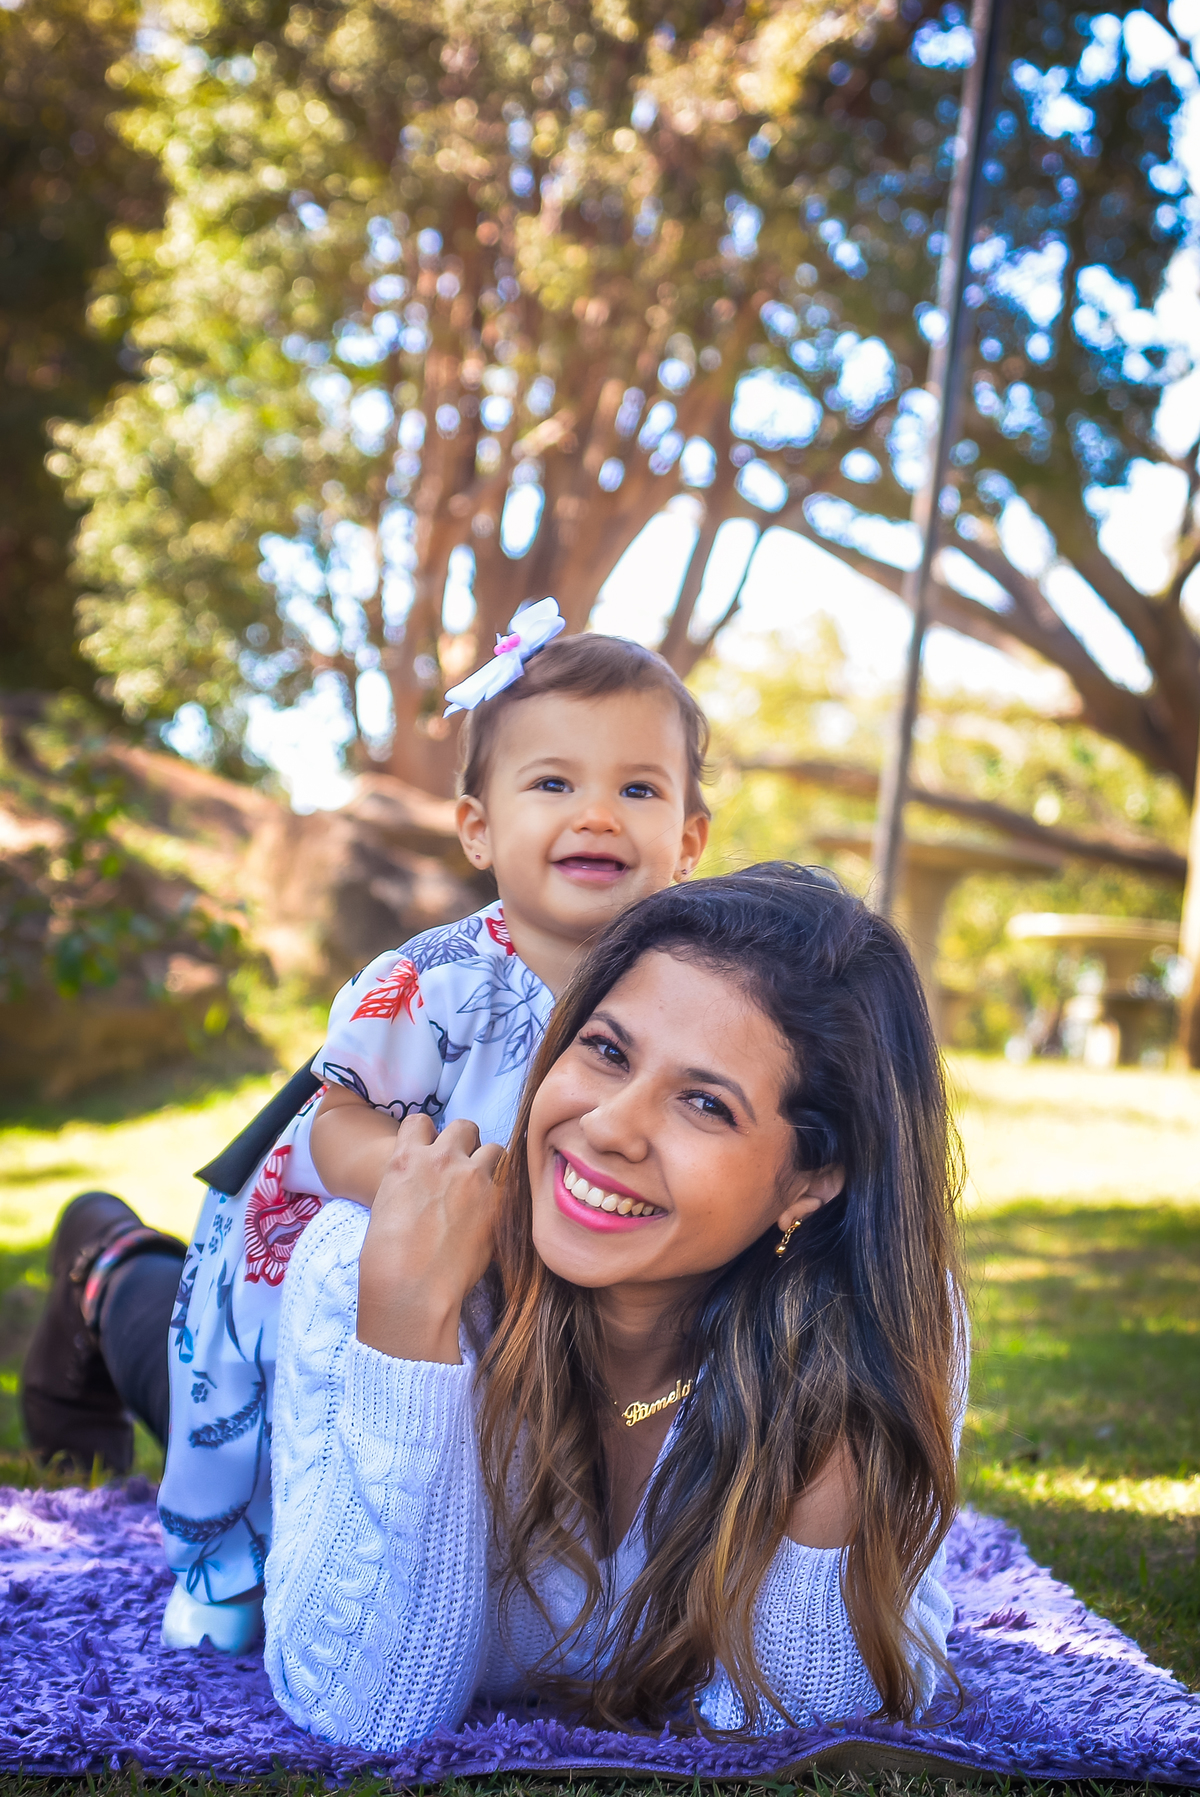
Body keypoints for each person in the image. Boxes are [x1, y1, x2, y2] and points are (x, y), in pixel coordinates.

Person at [20, 605, 710, 1653]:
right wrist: (422, 1181)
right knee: (269, 1419)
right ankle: (111, 1274)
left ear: (689, 840)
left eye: (639, 789)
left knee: (463, 1454)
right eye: (554, 783)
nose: (599, 815)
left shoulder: (691, 997)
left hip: (527, 1297)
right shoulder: (434, 984)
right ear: (478, 827)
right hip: (351, 1267)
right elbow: (332, 1125)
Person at [264, 864, 967, 1748]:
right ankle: (114, 1265)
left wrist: (833, 1447)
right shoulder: (364, 1263)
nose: (607, 1126)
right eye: (606, 1051)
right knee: (159, 1344)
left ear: (811, 1181)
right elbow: (363, 1714)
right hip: (264, 1367)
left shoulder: (874, 1326)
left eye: (705, 1103)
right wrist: (405, 1335)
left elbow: (809, 1725)